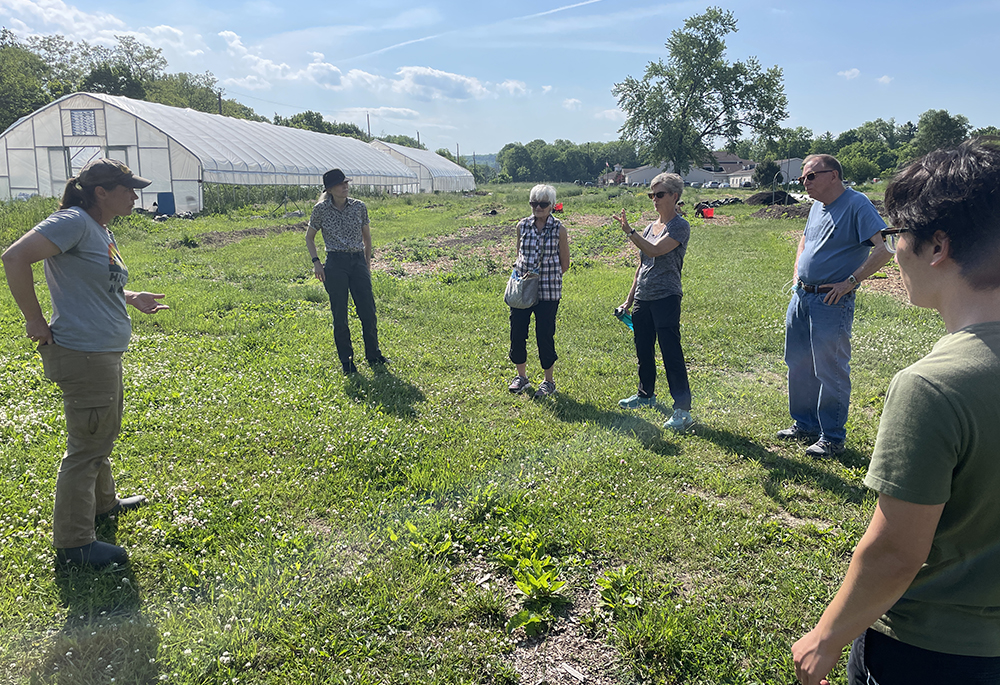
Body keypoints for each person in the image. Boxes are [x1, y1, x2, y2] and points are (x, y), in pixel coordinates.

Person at [792, 138, 1000, 685]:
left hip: (932, 650)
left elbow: (896, 552)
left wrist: (825, 637)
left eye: (896, 235)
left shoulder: (934, 386)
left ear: (937, 246)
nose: (892, 249)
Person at [2, 158, 168, 568]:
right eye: (127, 189)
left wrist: (130, 297)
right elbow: (14, 257)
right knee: (87, 446)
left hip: (102, 351)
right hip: (84, 353)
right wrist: (34, 320)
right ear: (101, 192)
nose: (135, 195)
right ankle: (75, 543)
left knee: (101, 434)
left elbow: (91, 280)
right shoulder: (73, 221)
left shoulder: (98, 229)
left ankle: (103, 504)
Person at [779, 154, 892, 457]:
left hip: (831, 301)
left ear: (833, 176)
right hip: (802, 295)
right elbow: (804, 242)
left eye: (811, 176)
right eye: (803, 178)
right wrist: (797, 276)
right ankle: (805, 424)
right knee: (798, 361)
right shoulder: (817, 206)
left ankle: (832, 437)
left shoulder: (857, 204)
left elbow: (884, 250)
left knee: (830, 368)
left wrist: (850, 283)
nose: (805, 183)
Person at [615, 172, 694, 431]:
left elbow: (656, 250)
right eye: (652, 194)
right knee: (643, 350)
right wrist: (629, 300)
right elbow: (642, 266)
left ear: (675, 196)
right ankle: (645, 394)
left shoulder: (679, 226)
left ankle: (682, 410)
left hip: (666, 296)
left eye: (659, 194)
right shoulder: (651, 227)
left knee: (671, 353)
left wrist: (629, 232)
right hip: (643, 298)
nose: (654, 199)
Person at [306, 169, 388, 376]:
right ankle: (347, 361)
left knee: (368, 311)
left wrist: (367, 262)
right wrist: (316, 262)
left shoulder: (359, 207)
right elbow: (309, 237)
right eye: (341, 184)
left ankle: (373, 354)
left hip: (357, 260)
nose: (345, 187)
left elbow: (367, 237)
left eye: (346, 183)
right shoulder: (321, 210)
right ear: (330, 189)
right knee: (340, 314)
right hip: (335, 263)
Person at [507, 184, 570, 399]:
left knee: (544, 335)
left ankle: (548, 381)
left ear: (552, 205)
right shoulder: (522, 226)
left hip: (548, 291)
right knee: (517, 332)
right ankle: (521, 377)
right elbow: (518, 254)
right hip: (523, 290)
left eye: (543, 204)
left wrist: (546, 277)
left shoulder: (559, 229)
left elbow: (565, 263)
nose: (538, 208)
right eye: (534, 203)